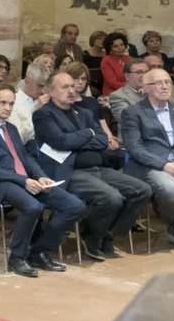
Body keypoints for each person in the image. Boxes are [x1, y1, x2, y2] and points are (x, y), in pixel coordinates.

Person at [0, 85, 86, 277]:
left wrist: (40, 176)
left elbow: (26, 158)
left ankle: (39, 251)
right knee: (33, 206)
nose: (7, 107)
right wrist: (23, 181)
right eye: (2, 103)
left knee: (74, 205)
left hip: (23, 180)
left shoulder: (11, 128)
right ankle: (17, 258)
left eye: (11, 103)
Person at [33, 72, 150, 260]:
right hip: (70, 171)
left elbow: (103, 140)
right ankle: (92, 235)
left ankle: (104, 232)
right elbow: (61, 142)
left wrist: (80, 139)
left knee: (141, 190)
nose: (71, 91)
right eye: (65, 87)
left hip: (98, 168)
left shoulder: (84, 113)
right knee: (111, 198)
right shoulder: (44, 115)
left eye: (72, 86)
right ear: (50, 91)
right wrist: (88, 133)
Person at [120, 68, 174, 253]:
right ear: (146, 88)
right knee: (170, 190)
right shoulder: (133, 112)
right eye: (158, 83)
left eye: (167, 82)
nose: (164, 86)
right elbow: (134, 148)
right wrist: (164, 164)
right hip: (152, 165)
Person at [108, 59, 148, 124]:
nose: (144, 75)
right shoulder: (118, 96)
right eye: (139, 72)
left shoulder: (154, 92)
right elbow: (128, 120)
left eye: (146, 72)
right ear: (127, 76)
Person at [100, 31, 131, 96]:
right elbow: (112, 83)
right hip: (113, 93)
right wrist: (130, 87)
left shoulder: (128, 58)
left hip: (129, 91)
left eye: (122, 45)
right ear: (110, 49)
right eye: (115, 46)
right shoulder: (106, 61)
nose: (120, 48)